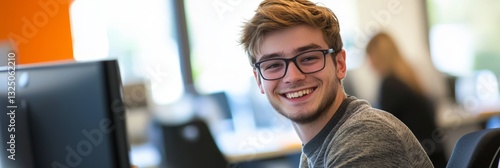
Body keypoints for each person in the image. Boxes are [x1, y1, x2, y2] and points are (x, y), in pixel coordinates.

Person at [239, 0, 433, 167]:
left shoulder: (366, 137)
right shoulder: (313, 153)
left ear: (339, 64)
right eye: (273, 65)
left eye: (308, 58)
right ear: (258, 80)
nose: (293, 76)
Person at [365, 32, 448, 167]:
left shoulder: (389, 85)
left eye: (369, 56)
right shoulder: (407, 79)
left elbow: (379, 129)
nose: (368, 63)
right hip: (433, 158)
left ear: (377, 56)